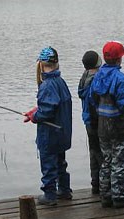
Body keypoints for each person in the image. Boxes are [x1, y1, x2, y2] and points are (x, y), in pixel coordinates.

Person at [89, 41, 124, 208]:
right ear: (119, 59)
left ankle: (106, 196)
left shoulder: (97, 76)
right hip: (121, 129)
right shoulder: (121, 79)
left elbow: (92, 99)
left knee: (107, 161)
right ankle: (119, 198)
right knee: (121, 162)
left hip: (103, 127)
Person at [23, 46, 73, 206]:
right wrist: (35, 111)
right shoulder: (60, 82)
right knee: (60, 163)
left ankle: (50, 195)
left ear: (41, 64)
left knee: (48, 165)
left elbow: (47, 112)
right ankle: (64, 191)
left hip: (50, 134)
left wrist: (35, 116)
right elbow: (54, 106)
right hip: (62, 132)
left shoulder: (47, 85)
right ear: (57, 63)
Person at [78, 50, 103, 195]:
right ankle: (104, 187)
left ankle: (96, 184)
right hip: (96, 121)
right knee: (101, 154)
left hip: (88, 121)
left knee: (93, 152)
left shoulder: (84, 77)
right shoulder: (96, 79)